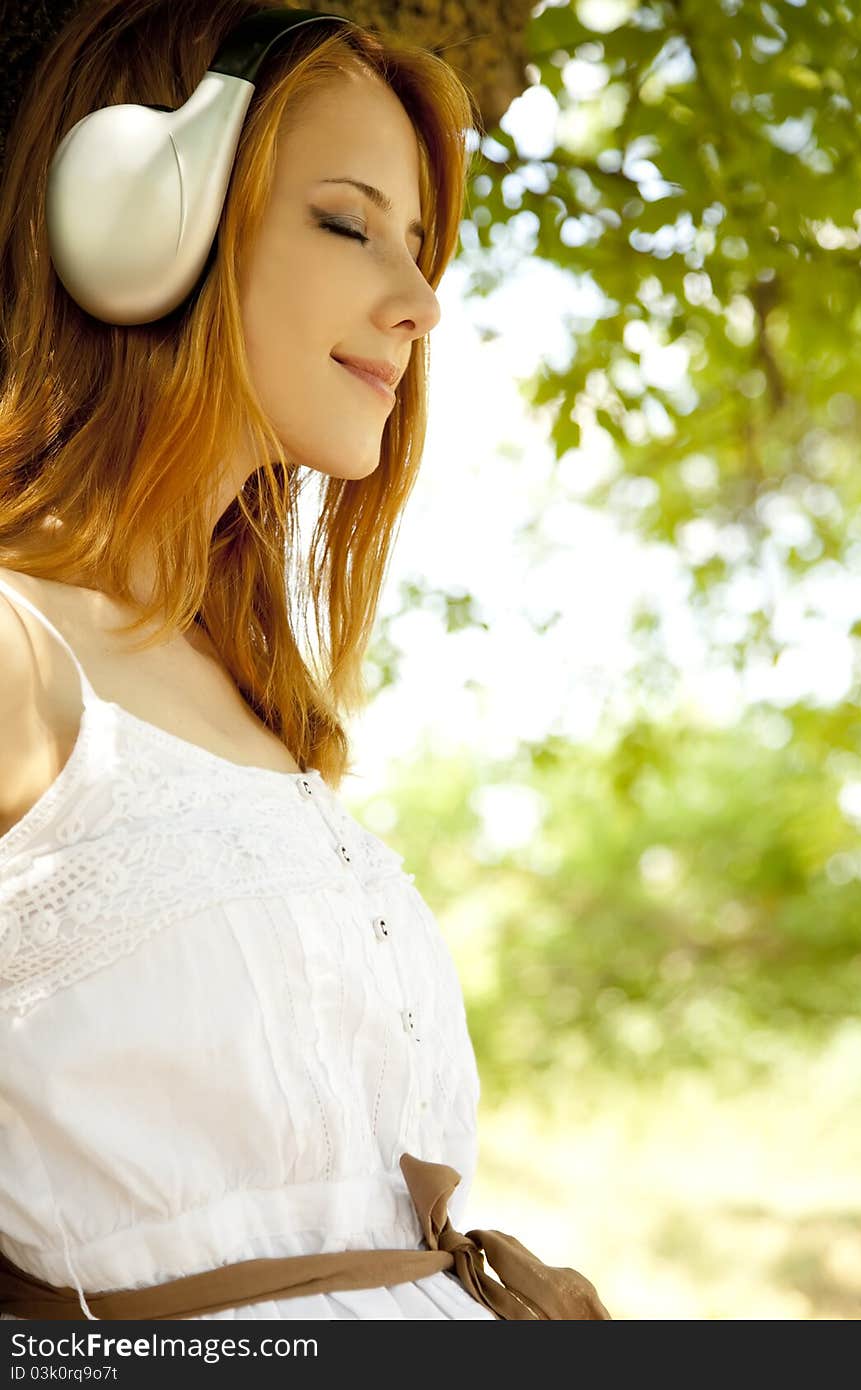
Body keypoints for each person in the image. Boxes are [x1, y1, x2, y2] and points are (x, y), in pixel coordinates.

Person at [0, 0, 609, 1322]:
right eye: (348, 223)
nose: (421, 301)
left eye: (420, 245)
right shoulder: (15, 653)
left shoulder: (265, 709)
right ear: (138, 222)